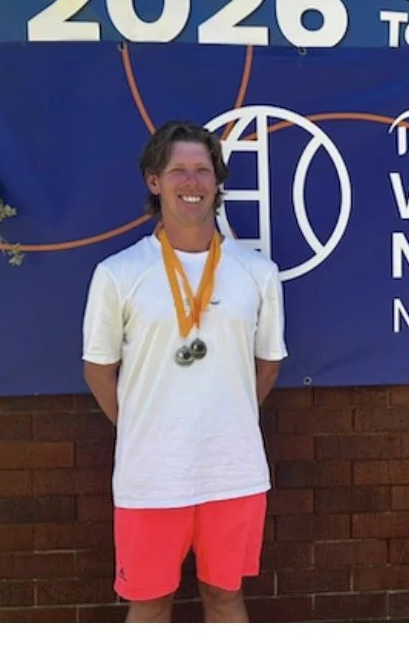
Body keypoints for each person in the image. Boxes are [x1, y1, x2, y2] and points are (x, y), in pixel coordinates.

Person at [82, 121, 285, 621]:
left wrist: (225, 416)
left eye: (203, 171)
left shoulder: (257, 272)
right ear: (155, 181)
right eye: (178, 171)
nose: (191, 183)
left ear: (218, 183)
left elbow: (268, 363)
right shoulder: (118, 273)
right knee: (148, 604)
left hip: (233, 473)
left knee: (225, 598)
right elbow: (97, 369)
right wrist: (144, 428)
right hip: (151, 476)